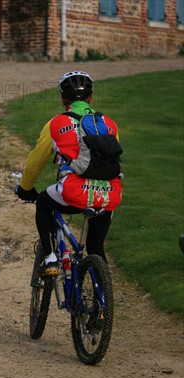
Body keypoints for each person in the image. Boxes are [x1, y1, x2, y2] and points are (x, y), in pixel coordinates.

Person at [15, 71, 122, 276]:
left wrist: (25, 188)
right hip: (108, 194)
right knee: (96, 247)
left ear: (63, 98)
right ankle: (103, 300)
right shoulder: (109, 124)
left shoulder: (56, 123)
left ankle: (51, 259)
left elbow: (36, 162)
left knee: (44, 201)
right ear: (90, 98)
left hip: (74, 194)